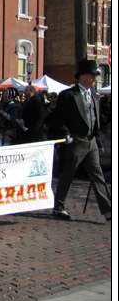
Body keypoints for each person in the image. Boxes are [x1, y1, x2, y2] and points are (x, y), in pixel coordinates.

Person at [48, 59, 111, 222]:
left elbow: (95, 118)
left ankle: (108, 210)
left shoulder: (94, 95)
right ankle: (59, 206)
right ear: (82, 76)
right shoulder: (68, 95)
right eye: (92, 75)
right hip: (76, 141)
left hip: (91, 141)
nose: (94, 79)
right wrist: (65, 133)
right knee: (68, 174)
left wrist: (97, 139)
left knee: (98, 175)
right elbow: (58, 119)